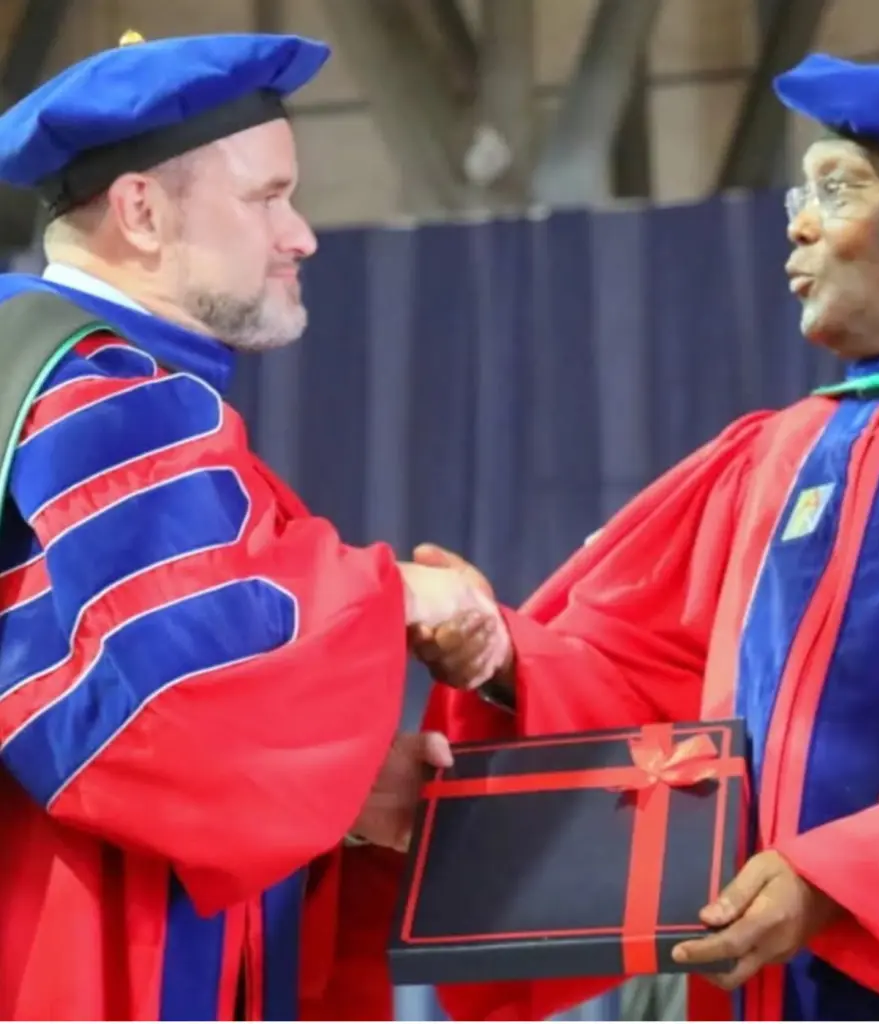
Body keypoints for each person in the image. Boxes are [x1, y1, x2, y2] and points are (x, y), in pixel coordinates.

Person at [410, 54, 879, 1021]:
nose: (801, 222)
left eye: (838, 187)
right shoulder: (778, 456)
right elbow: (647, 681)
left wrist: (850, 877)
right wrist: (503, 659)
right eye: (799, 191)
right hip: (756, 985)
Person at [0, 31, 496, 1021]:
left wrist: (340, 786)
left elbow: (84, 686)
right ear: (141, 210)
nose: (302, 234)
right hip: (84, 943)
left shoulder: (47, 368)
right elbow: (180, 707)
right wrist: (400, 592)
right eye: (267, 198)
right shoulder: (105, 393)